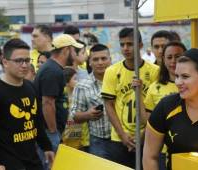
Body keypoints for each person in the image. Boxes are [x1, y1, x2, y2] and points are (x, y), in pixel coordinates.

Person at [101, 27, 159, 168]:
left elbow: (157, 110)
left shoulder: (154, 71)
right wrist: (122, 135)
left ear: (140, 45)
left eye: (130, 44)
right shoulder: (111, 71)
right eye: (122, 44)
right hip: (120, 138)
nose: (125, 48)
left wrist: (143, 136)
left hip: (148, 137)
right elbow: (109, 105)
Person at [0, 38, 54, 170]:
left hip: (33, 160)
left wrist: (46, 147)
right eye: (18, 61)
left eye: (27, 60)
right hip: (8, 163)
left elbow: (37, 121)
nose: (24, 65)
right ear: (5, 62)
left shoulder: (30, 87)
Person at [34, 34, 83, 152]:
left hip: (51, 131)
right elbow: (47, 103)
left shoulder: (53, 68)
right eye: (74, 50)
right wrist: (53, 132)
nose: (75, 54)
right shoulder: (52, 70)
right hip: (48, 132)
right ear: (66, 50)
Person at [143, 41, 186, 170]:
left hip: (187, 148)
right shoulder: (154, 88)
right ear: (163, 60)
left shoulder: (194, 86)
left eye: (178, 56)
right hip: (162, 151)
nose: (173, 61)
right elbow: (149, 121)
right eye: (169, 57)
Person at [71, 43, 112, 157]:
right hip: (98, 141)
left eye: (103, 58)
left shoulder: (121, 81)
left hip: (121, 139)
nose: (100, 62)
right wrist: (87, 114)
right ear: (89, 62)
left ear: (110, 59)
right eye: (95, 59)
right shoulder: (82, 86)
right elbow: (74, 115)